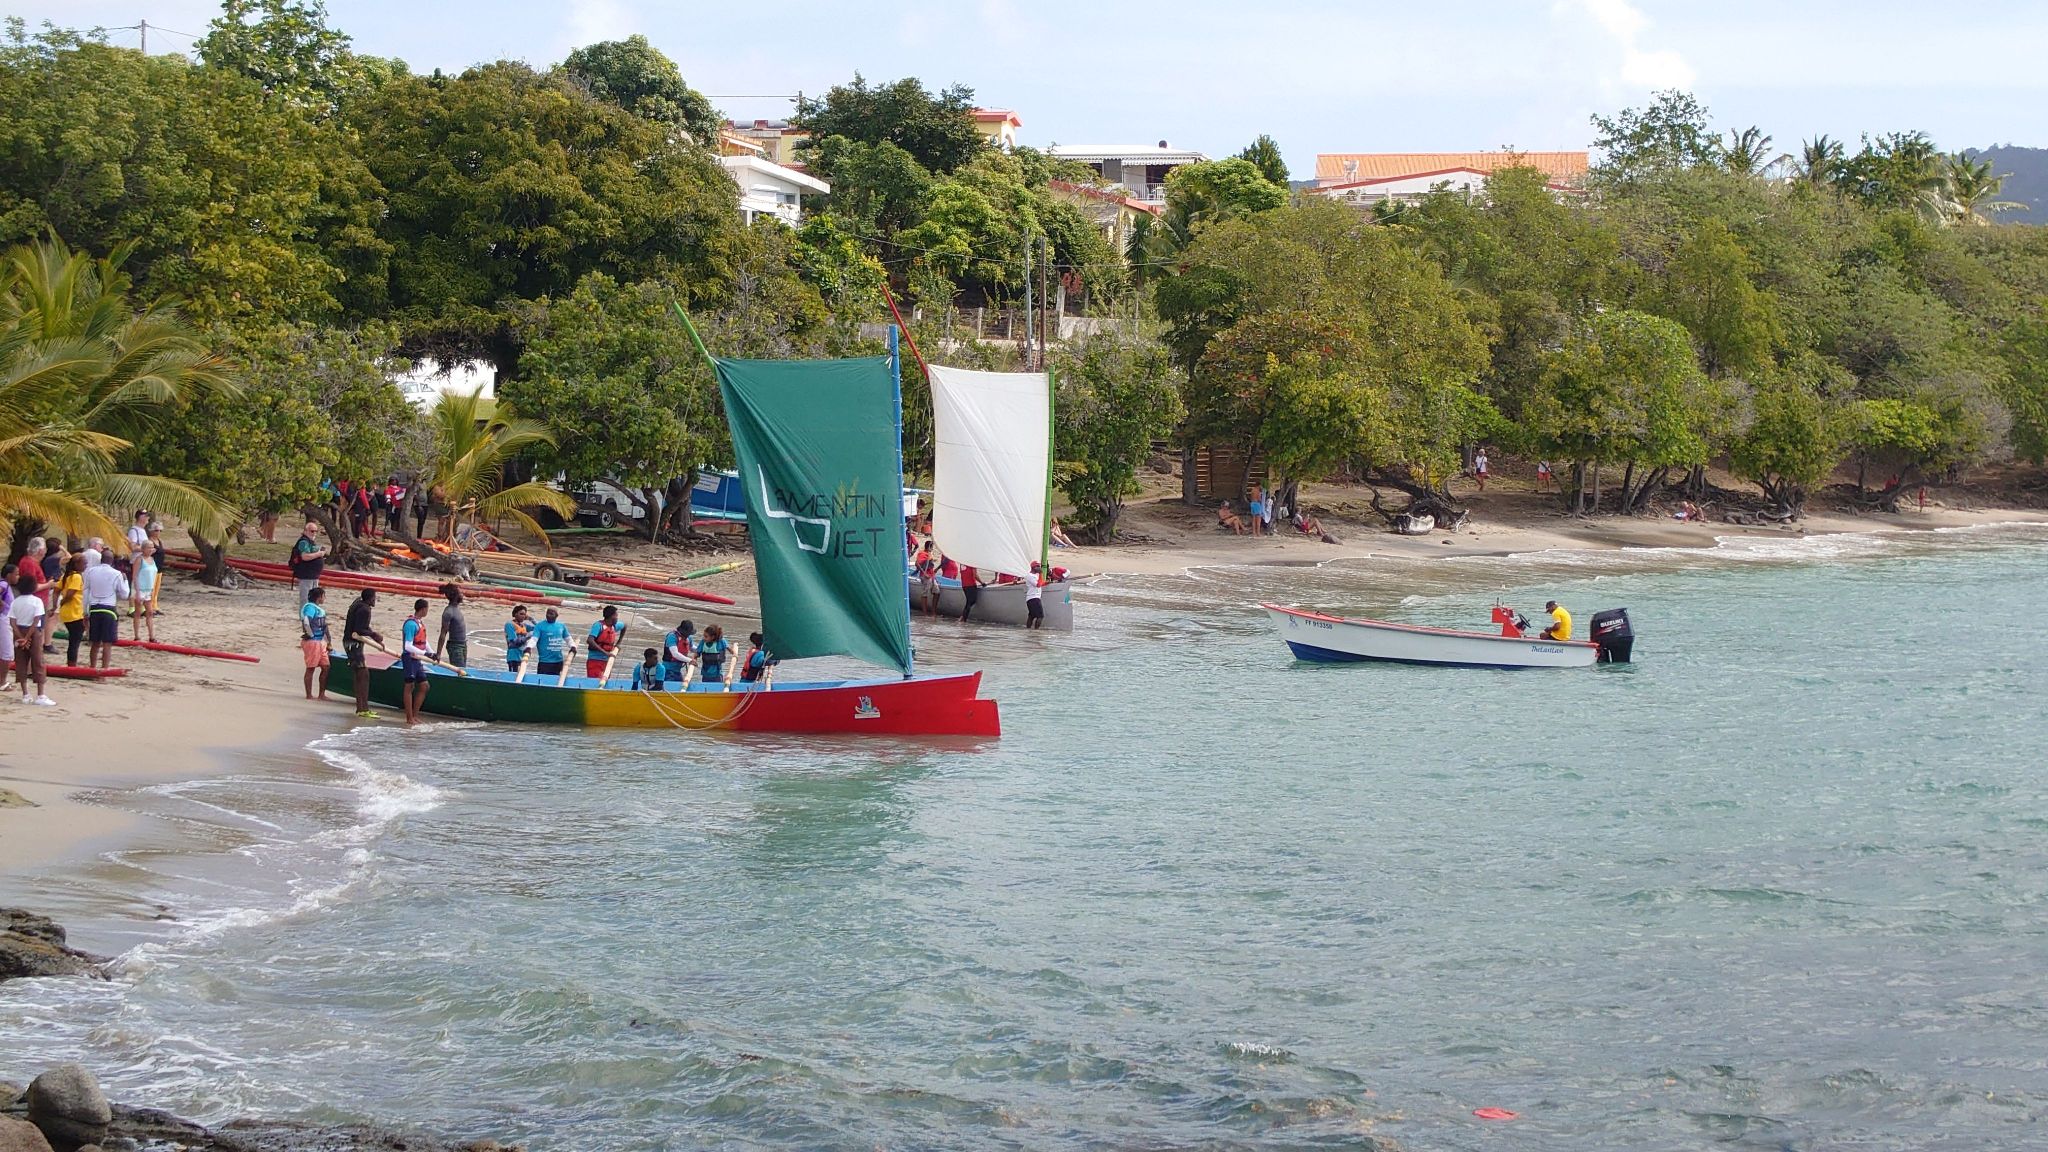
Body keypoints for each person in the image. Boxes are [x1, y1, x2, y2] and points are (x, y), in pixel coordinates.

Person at [82, 549, 129, 669]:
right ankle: (104, 670)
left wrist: (85, 610)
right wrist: (125, 581)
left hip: (94, 608)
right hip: (108, 609)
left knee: (95, 642)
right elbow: (124, 594)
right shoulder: (117, 574)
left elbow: (86, 591)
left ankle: (92, 667)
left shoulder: (91, 571)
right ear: (112, 561)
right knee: (107, 643)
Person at [10, 569, 52, 706]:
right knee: (38, 661)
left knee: (21, 661)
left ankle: (25, 694)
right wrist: (28, 637)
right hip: (34, 632)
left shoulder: (16, 602)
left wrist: (21, 637)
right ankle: (40, 694)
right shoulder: (37, 601)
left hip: (19, 632)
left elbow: (12, 622)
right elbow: (36, 620)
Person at [343, 588, 383, 719]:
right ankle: (363, 708)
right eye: (374, 598)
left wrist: (373, 637)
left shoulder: (358, 604)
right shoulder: (365, 609)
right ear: (370, 598)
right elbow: (359, 629)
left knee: (359, 674)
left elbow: (362, 627)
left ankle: (360, 708)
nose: (375, 600)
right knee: (363, 674)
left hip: (350, 643)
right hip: (353, 644)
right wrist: (374, 635)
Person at [399, 598, 432, 725]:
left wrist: (432, 653)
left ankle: (415, 715)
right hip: (409, 658)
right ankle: (409, 718)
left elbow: (424, 641)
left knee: (424, 686)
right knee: (410, 686)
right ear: (423, 609)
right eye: (427, 609)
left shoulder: (420, 623)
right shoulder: (410, 624)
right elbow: (408, 646)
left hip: (417, 659)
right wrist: (425, 654)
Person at [301, 586, 332, 701]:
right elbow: (306, 621)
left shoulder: (319, 610)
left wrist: (328, 641)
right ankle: (309, 694)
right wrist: (310, 634)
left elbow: (324, 626)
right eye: (324, 596)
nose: (325, 598)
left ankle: (321, 694)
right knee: (311, 668)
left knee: (326, 666)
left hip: (320, 641)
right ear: (319, 597)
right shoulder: (310, 607)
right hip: (313, 642)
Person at [55, 553, 86, 667]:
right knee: (75, 640)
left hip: (66, 612)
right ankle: (72, 664)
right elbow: (70, 594)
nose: (86, 566)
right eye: (84, 563)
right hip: (74, 612)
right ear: (77, 564)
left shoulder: (66, 576)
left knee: (73, 639)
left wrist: (55, 605)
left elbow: (56, 590)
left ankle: (71, 663)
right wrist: (62, 601)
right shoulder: (76, 577)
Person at [290, 521, 327, 608]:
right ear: (305, 531)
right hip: (306, 575)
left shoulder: (310, 542)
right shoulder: (303, 542)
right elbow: (305, 556)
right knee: (306, 599)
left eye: (316, 531)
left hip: (313, 575)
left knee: (314, 598)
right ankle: (305, 615)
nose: (314, 533)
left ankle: (312, 614)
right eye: (312, 531)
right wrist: (319, 554)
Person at [130, 542, 160, 642]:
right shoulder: (139, 559)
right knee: (138, 612)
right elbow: (135, 576)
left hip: (149, 589)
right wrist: (137, 592)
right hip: (140, 588)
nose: (151, 549)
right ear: (143, 549)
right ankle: (136, 635)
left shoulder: (152, 559)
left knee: (150, 612)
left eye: (152, 548)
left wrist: (152, 589)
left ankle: (152, 636)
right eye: (148, 548)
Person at [586, 605, 624, 681]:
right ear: (611, 616)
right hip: (595, 660)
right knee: (595, 681)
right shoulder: (598, 626)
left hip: (607, 661)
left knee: (605, 680)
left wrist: (619, 643)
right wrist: (605, 652)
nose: (617, 618)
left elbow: (625, 626)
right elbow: (590, 640)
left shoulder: (614, 626)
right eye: (616, 616)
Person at [434, 584, 468, 669]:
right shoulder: (448, 612)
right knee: (459, 670)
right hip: (455, 647)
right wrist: (438, 654)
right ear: (455, 596)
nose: (462, 595)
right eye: (460, 593)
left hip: (463, 644)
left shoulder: (456, 609)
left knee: (463, 669)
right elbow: (443, 633)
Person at [533, 608, 572, 679]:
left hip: (558, 661)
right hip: (545, 662)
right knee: (542, 680)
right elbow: (534, 639)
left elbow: (568, 639)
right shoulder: (539, 626)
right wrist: (528, 648)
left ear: (556, 615)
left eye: (551, 614)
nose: (548, 615)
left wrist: (573, 647)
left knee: (557, 680)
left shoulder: (561, 626)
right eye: (547, 613)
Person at [503, 604, 535, 673]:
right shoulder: (509, 625)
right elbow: (514, 642)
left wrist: (531, 619)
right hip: (513, 656)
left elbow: (538, 628)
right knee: (513, 676)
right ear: (515, 614)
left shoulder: (524, 625)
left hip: (522, 656)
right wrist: (527, 636)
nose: (523, 616)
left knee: (521, 675)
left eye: (524, 614)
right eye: (521, 614)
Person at [0, 563, 14, 693]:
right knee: (6, 652)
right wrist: (3, 604)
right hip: (3, 620)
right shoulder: (4, 584)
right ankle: (2, 682)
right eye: (16, 574)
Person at [915, 547, 940, 618]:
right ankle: (925, 614)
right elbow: (917, 563)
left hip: (931, 576)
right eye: (932, 547)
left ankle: (933, 612)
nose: (932, 548)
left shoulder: (929, 554)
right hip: (925, 576)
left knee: (937, 592)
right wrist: (924, 573)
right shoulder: (922, 554)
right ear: (929, 547)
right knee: (925, 593)